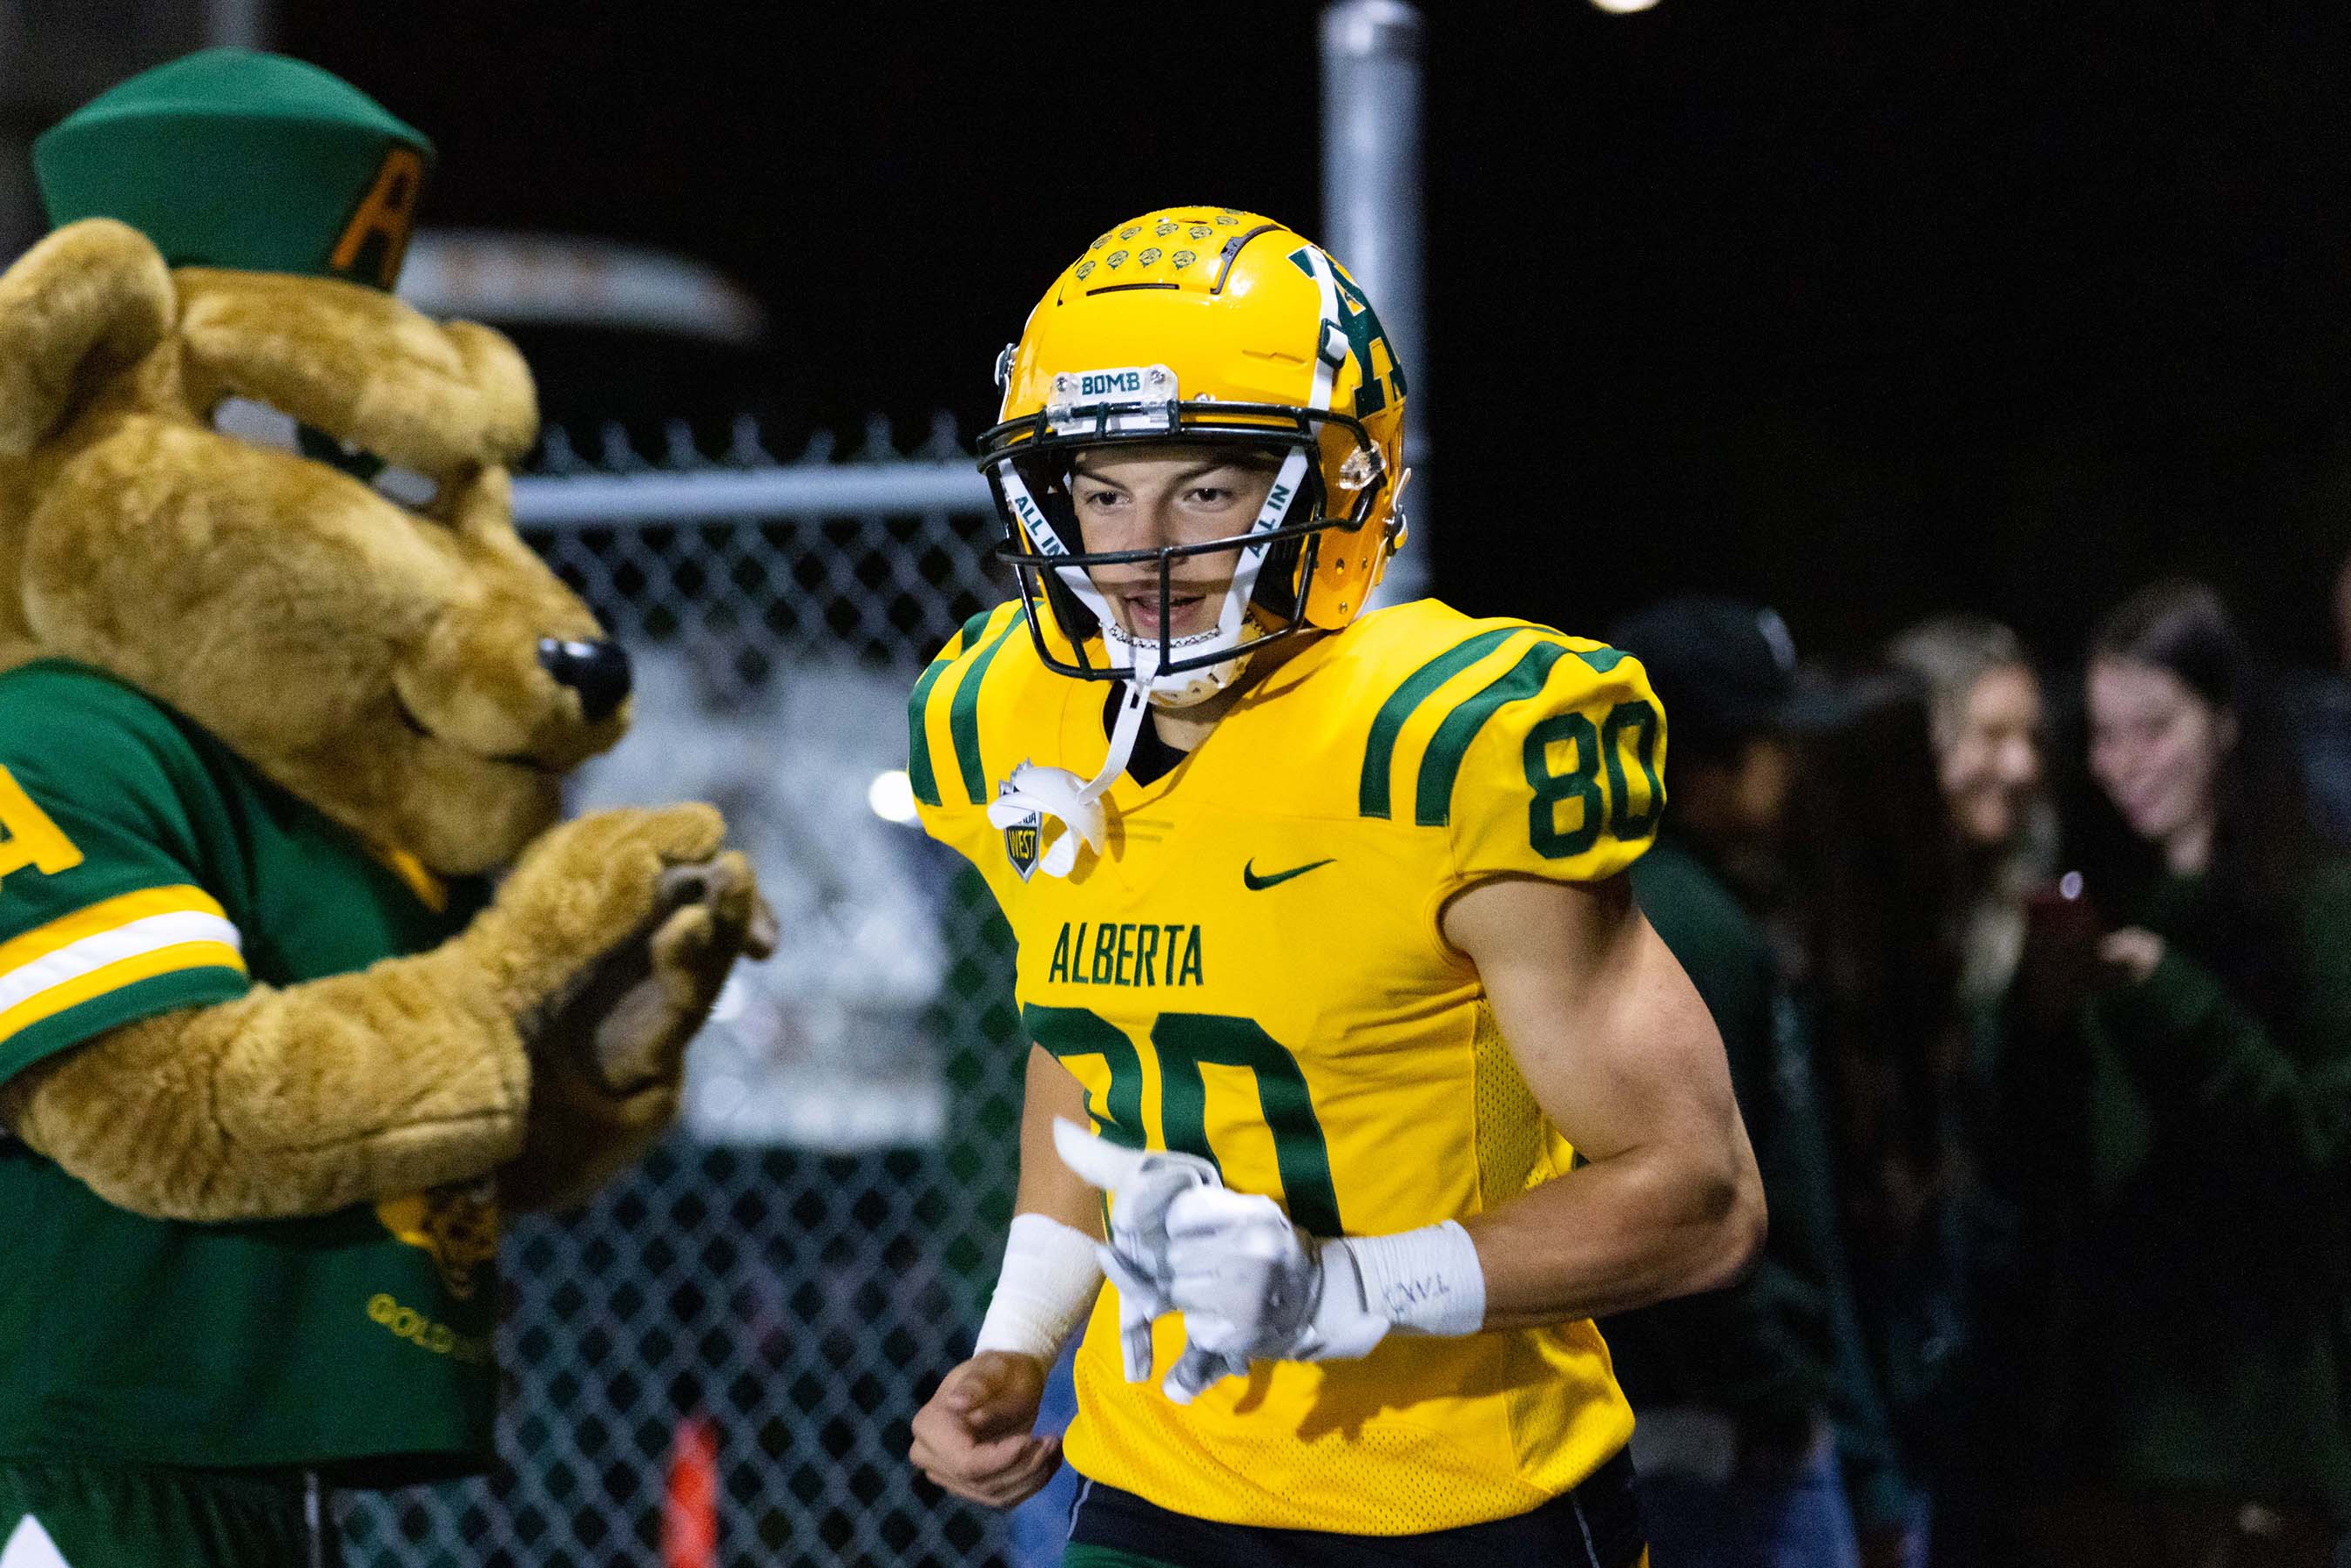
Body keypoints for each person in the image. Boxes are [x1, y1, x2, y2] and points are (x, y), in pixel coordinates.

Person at [901, 206, 1763, 1567]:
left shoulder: (1442, 742)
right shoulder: (1002, 711)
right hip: (1154, 1495)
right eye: (1101, 490)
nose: (1141, 555)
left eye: (1206, 487)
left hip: (1463, 1503)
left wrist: (1342, 1287)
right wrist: (1017, 1341)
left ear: (1333, 486)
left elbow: (1699, 1197)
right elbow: (1089, 1045)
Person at [1976, 579, 2351, 1568]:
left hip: (2253, 1438)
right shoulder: (2114, 906)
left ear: (2225, 721)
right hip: (2101, 1446)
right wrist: (2037, 1024)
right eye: (2100, 736)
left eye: (2151, 729)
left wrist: (2167, 998)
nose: (2120, 765)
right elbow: (2033, 1170)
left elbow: (2314, 1151)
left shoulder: (2314, 906)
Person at [1601, 599, 1905, 1568]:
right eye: (1769, 740)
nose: (1789, 765)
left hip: (1678, 1424)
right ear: (1700, 762)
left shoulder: (1620, 893)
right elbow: (1697, 1193)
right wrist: (1779, 1394)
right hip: (1723, 1446)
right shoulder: (1693, 927)